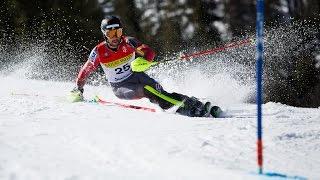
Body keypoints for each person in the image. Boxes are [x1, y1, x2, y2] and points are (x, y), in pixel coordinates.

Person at [71, 15, 221, 117]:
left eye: (118, 32)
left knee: (161, 93)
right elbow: (86, 70)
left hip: (138, 76)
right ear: (104, 34)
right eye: (111, 34)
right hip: (120, 86)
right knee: (148, 91)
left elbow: (149, 52)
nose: (116, 37)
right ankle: (185, 110)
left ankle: (194, 104)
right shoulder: (99, 51)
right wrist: (79, 88)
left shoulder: (129, 42)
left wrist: (145, 61)